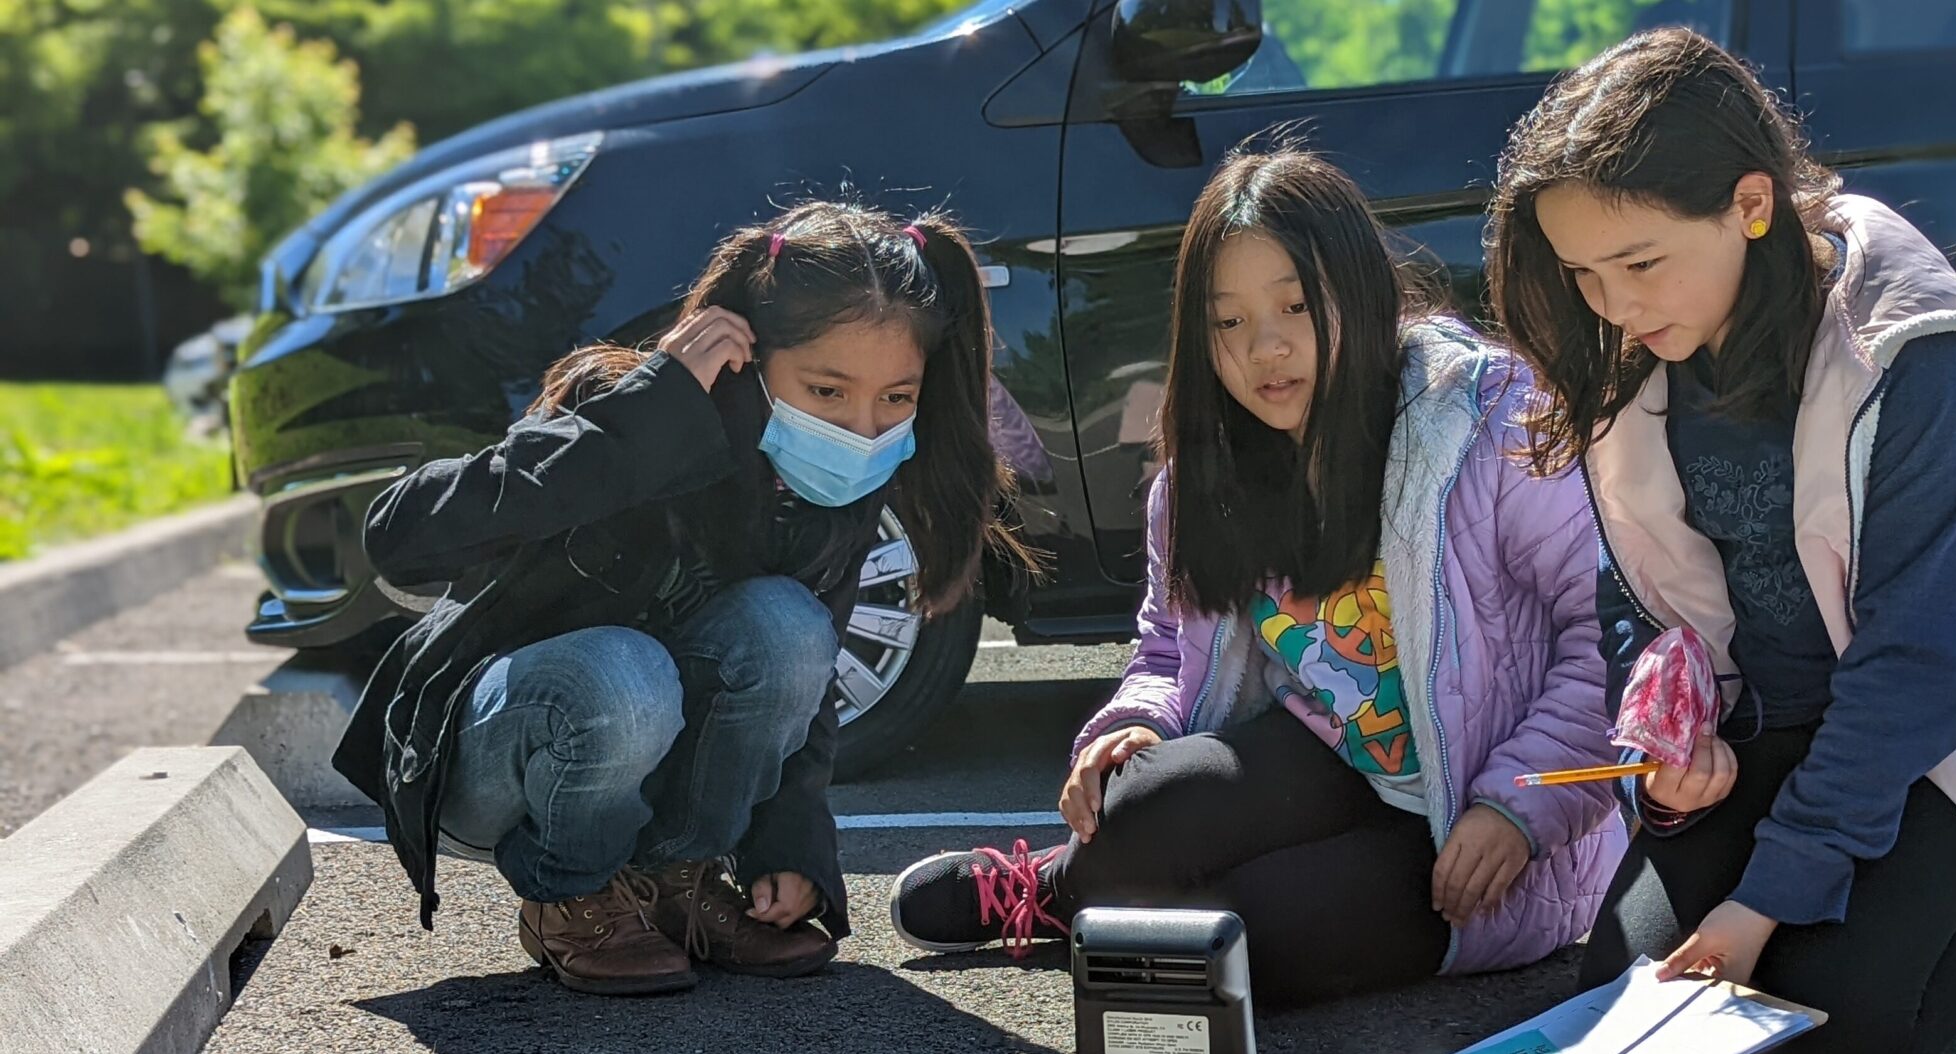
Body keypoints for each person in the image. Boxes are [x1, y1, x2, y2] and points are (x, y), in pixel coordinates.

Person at [1485, 29, 1956, 1054]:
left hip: (1941, 740)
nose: (1611, 305)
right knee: (1630, 1004)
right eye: (1583, 274)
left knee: (1824, 1038)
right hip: (1759, 727)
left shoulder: (1916, 351)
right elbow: (1633, 593)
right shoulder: (1637, 344)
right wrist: (1669, 741)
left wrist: (1763, 901)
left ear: (1751, 204)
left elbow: (1914, 666)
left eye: (1639, 264)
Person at [890, 147, 1626, 1005]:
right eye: (1228, 322)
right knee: (1132, 805)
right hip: (1326, 755)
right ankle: (1058, 890)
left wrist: (1517, 809)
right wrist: (1132, 725)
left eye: (1296, 305)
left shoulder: (1485, 422)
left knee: (1246, 940)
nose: (1264, 347)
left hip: (1473, 809)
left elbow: (1609, 635)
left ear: (1361, 288)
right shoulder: (1202, 481)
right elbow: (1167, 649)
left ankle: (1112, 897)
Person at [336, 200, 1026, 996]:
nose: (862, 428)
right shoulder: (629, 400)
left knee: (791, 629)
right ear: (751, 354)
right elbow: (400, 535)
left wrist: (792, 848)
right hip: (487, 758)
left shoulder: (836, 480)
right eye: (827, 390)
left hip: (628, 743)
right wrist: (648, 414)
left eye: (895, 398)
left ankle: (675, 881)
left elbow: (806, 690)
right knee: (625, 671)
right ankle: (569, 891)